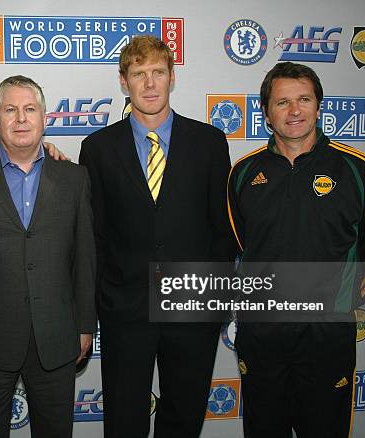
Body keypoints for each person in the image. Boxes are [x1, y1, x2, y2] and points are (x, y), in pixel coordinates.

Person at [227, 61, 365, 437]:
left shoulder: (360, 169)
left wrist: (341, 300)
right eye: (282, 102)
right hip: (262, 334)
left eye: (304, 99)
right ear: (267, 113)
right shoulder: (241, 174)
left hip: (326, 335)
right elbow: (240, 244)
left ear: (319, 106)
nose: (295, 110)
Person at [79, 35, 236, 437]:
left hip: (193, 309)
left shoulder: (210, 143)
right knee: (123, 421)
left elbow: (223, 230)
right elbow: (94, 236)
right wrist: (96, 306)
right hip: (125, 310)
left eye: (158, 73)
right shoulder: (97, 148)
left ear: (172, 78)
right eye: (138, 74)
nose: (149, 83)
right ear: (123, 82)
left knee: (183, 419)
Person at [0, 75, 96, 438]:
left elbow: (85, 258)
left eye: (30, 109)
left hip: (57, 336)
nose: (21, 118)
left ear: (45, 117)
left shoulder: (74, 178)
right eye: (10, 110)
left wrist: (84, 325)